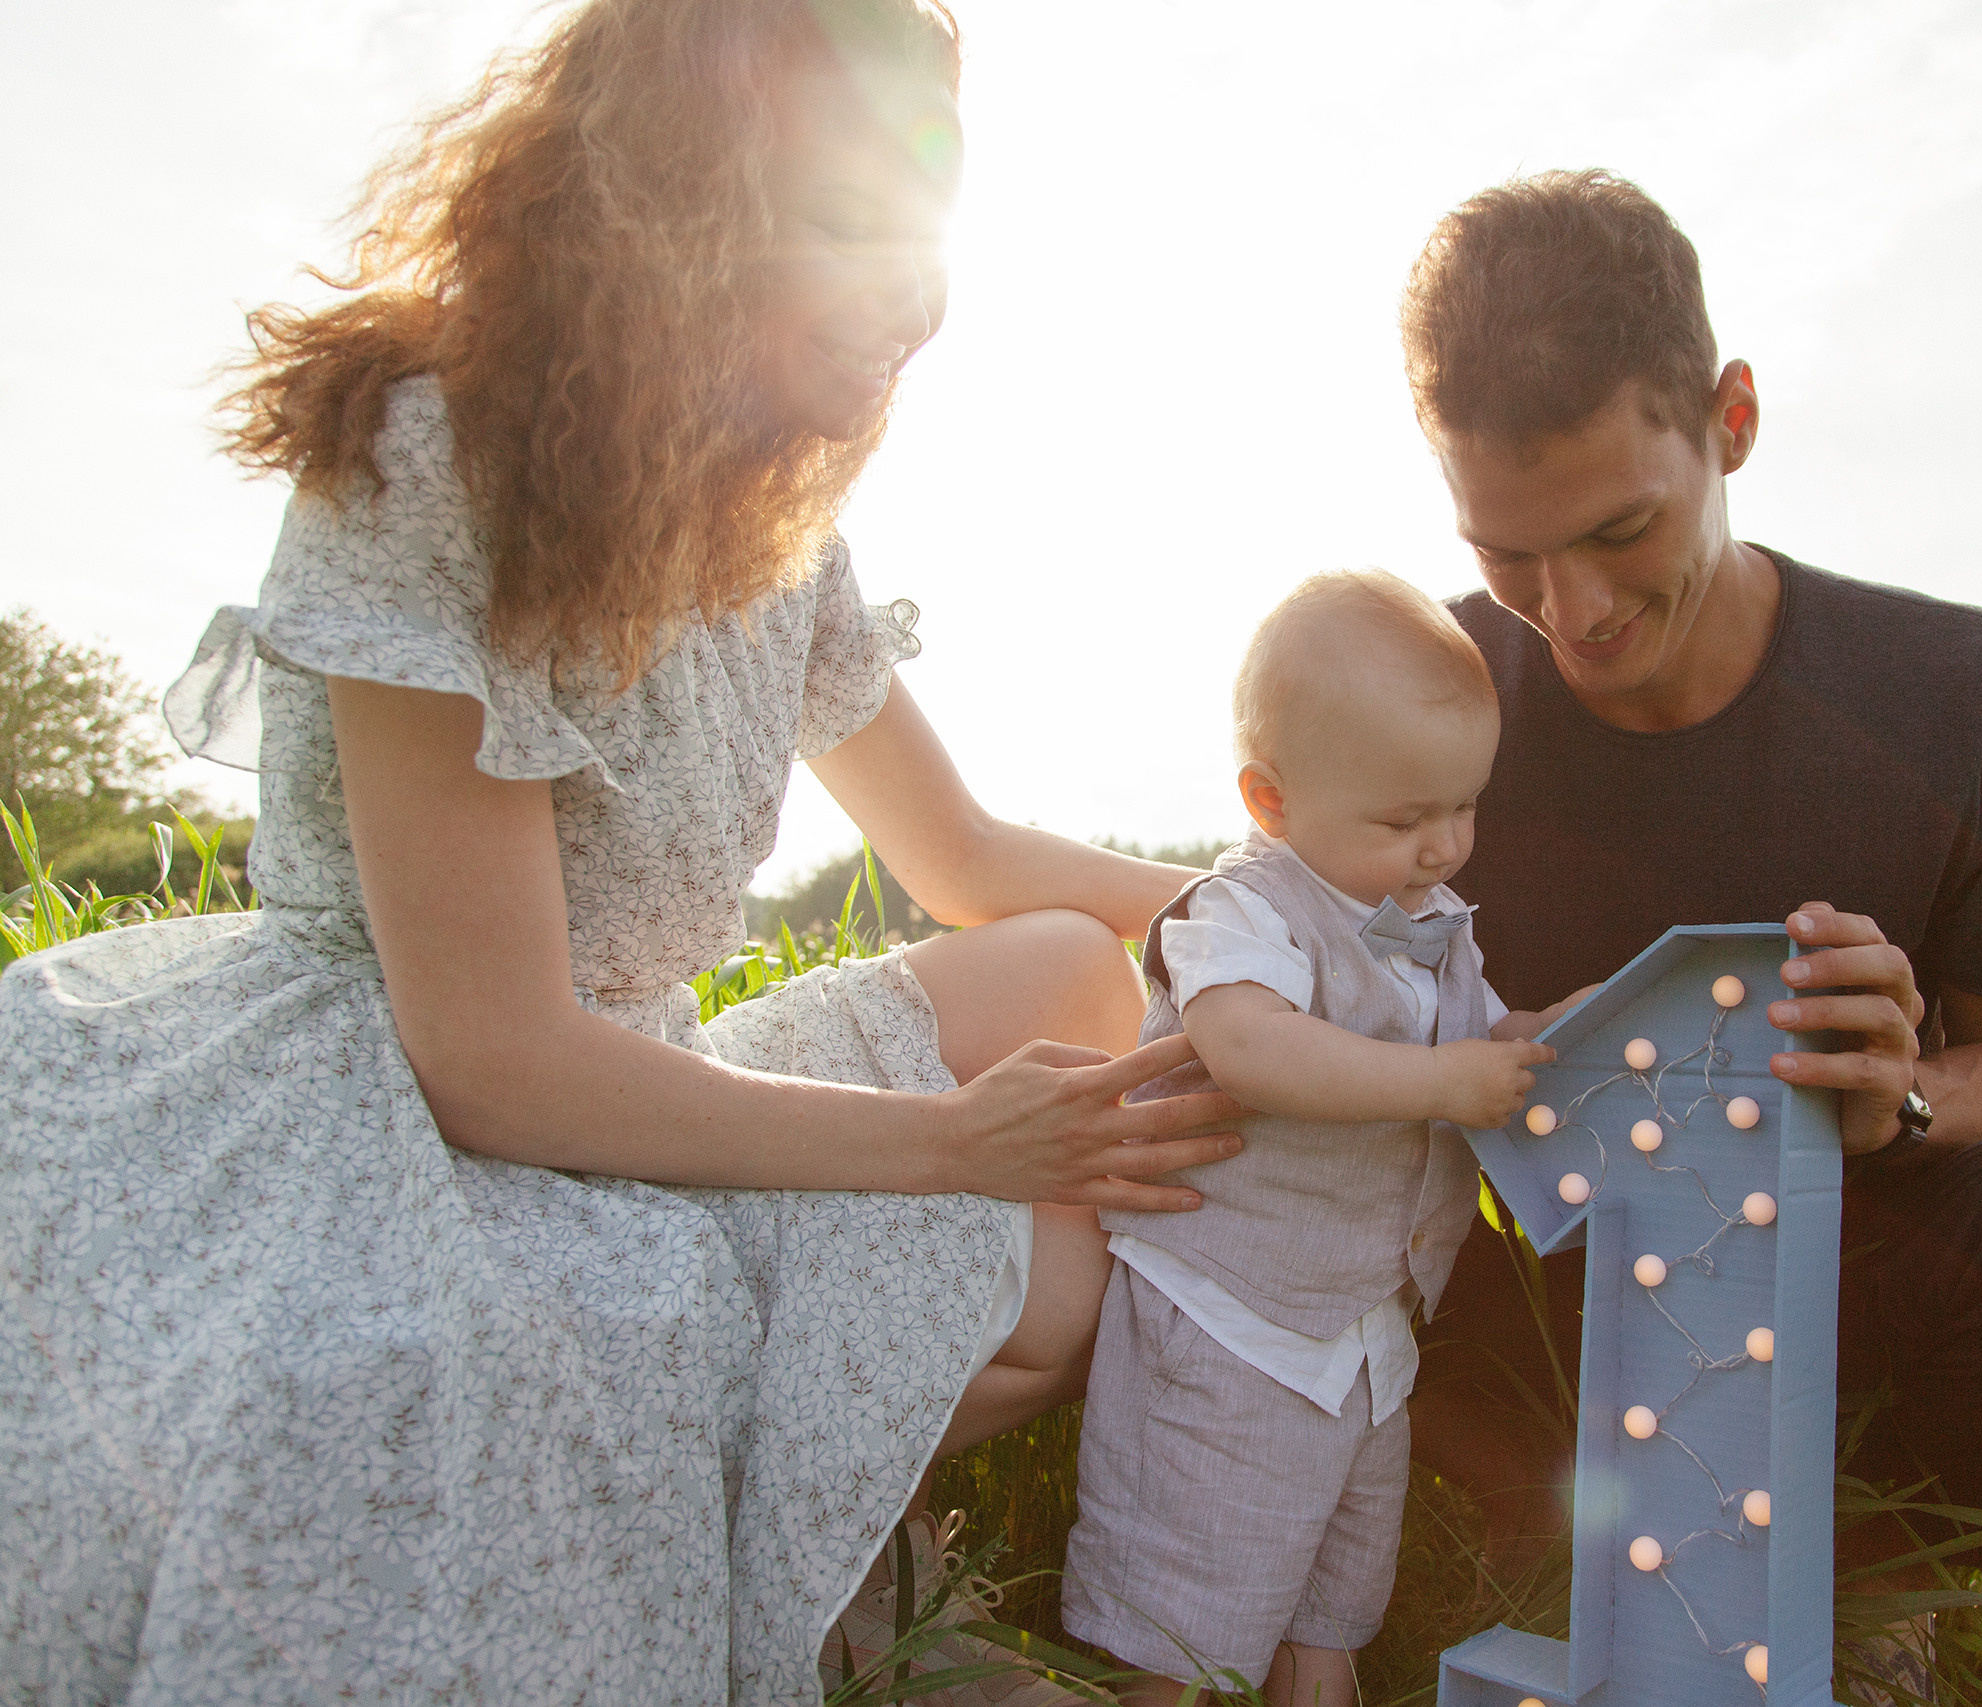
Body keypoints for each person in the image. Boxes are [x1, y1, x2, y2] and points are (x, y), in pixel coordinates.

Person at [0, 4, 1243, 1703]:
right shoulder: (430, 445)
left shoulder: (776, 508)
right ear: (684, 198)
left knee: (1060, 1009)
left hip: (638, 1056)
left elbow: (961, 849)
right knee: (522, 1365)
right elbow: (491, 1063)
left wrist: (1281, 911)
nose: (914, 293)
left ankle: (836, 1564)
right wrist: (951, 1138)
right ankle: (816, 1609)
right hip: (396, 1098)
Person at [1393, 171, 1982, 1594]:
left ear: (1731, 423)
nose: (1573, 613)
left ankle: (1867, 1582)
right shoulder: (1424, 683)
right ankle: (1541, 1518)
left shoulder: (1958, 685)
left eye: (1618, 531)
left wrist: (1892, 1102)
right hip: (1523, 1294)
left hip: (1822, 1268)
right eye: (1506, 552)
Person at [1059, 573, 1585, 1707]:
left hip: (1358, 1334)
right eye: (1403, 821)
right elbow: (1257, 1051)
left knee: (1332, 1598)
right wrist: (1445, 1081)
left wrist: (1547, 1037)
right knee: (1190, 1602)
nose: (1444, 846)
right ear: (1270, 799)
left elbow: (1475, 1037)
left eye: (1463, 807)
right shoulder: (1241, 913)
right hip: (1226, 1315)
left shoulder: (1432, 925)